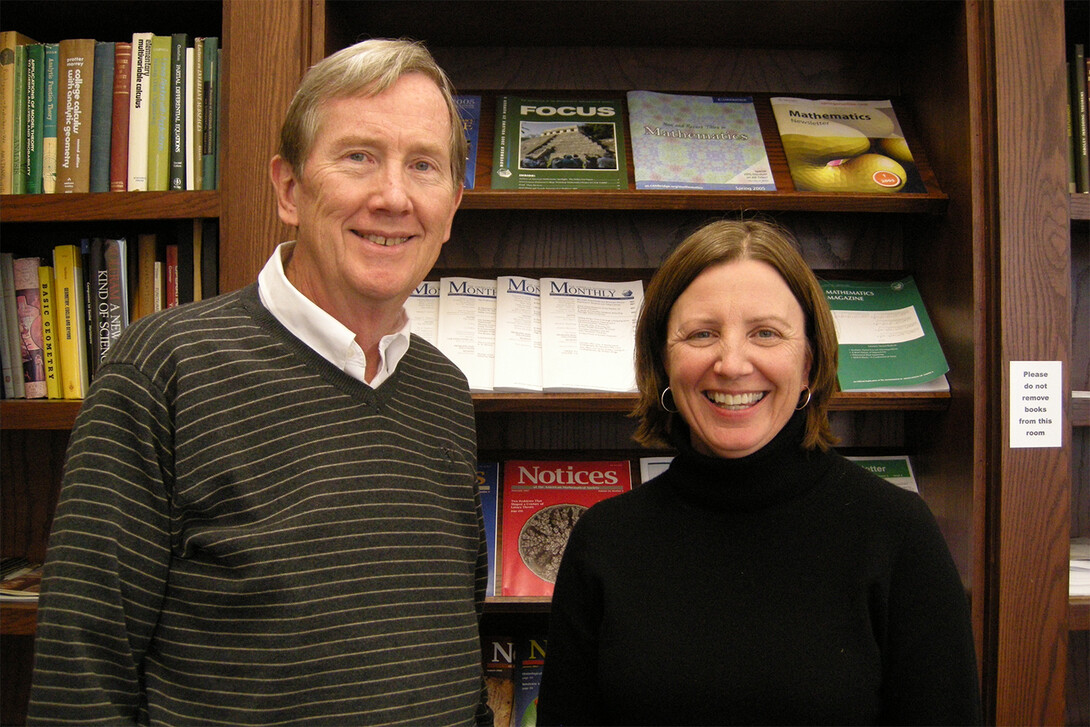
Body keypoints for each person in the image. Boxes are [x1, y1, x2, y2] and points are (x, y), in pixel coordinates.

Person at [28, 39, 492, 725]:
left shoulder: (443, 392)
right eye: (359, 156)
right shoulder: (164, 370)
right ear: (289, 190)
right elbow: (82, 675)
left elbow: (450, 644)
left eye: (422, 166)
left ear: (451, 207)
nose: (393, 196)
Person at [536, 219, 982, 726]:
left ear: (809, 363)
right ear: (662, 362)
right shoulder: (606, 538)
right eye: (702, 334)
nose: (731, 364)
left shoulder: (899, 534)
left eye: (765, 333)